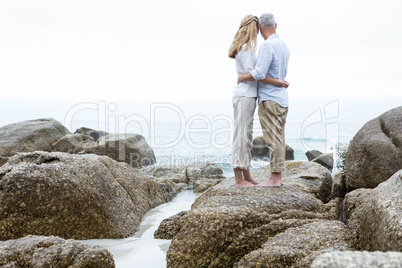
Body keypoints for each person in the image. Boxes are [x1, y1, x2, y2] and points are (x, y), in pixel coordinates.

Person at [229, 15, 288, 188]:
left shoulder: (250, 48)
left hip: (249, 96)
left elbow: (255, 74)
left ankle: (246, 177)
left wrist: (246, 76)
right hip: (245, 95)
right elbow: (256, 75)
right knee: (241, 136)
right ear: (255, 28)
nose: (258, 31)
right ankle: (239, 180)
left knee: (246, 136)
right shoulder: (247, 48)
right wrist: (277, 81)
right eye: (257, 27)